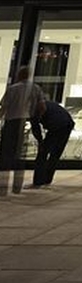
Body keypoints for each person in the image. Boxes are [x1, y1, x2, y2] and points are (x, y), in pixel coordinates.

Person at [0, 66, 46, 195]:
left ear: (19, 75)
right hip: (26, 121)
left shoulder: (12, 89)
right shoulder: (35, 88)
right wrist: (36, 118)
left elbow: (4, 107)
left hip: (11, 122)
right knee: (20, 154)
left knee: (6, 153)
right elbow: (42, 106)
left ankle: (2, 188)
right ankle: (17, 187)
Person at [29, 99, 75, 188]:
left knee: (43, 154)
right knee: (55, 154)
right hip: (66, 124)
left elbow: (36, 128)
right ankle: (46, 179)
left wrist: (40, 142)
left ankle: (38, 181)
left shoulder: (34, 110)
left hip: (59, 126)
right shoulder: (46, 105)